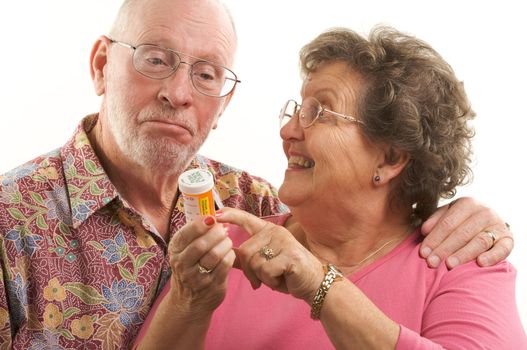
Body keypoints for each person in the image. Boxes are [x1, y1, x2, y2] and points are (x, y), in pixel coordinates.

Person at [0, 0, 513, 348]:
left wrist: (478, 215)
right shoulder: (11, 218)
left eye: (205, 75)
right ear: (99, 66)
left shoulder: (251, 206)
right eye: (155, 60)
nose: (178, 93)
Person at [134, 26, 526, 349]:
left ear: (389, 158)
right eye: (296, 110)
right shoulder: (225, 247)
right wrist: (188, 302)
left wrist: (320, 283)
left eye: (318, 112)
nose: (288, 131)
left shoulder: (462, 263)